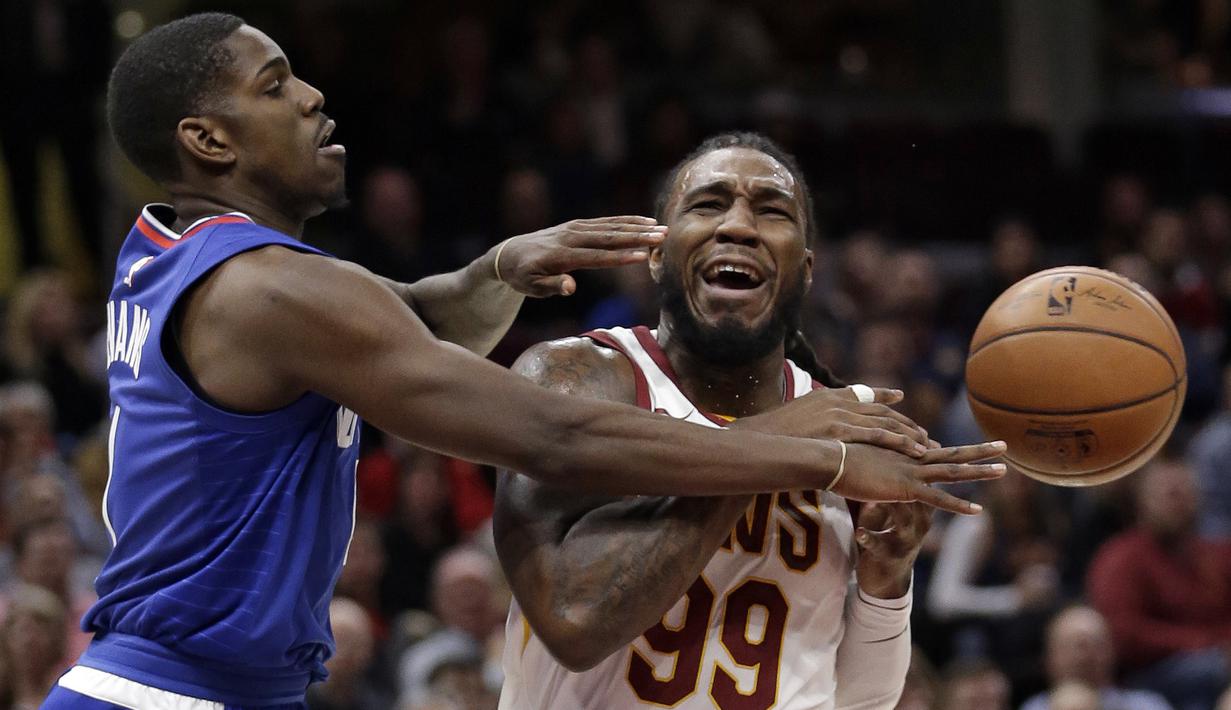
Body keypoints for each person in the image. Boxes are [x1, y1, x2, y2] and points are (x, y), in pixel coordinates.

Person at [44, 14, 1003, 710]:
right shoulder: (273, 289)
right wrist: (803, 449)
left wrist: (497, 268)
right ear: (206, 141)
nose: (310, 95)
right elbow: (551, 435)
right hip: (170, 691)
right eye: (273, 84)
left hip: (211, 685)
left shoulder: (173, 255)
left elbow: (405, 323)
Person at [494, 132, 1006, 708]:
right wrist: (785, 439)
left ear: (807, 269)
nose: (739, 226)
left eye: (772, 210)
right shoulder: (578, 379)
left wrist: (887, 586)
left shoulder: (850, 426)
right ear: (658, 254)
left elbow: (862, 701)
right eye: (709, 204)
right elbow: (574, 622)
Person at [1087, 455, 1231, 710]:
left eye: (1187, 493)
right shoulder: (1121, 557)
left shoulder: (1216, 555)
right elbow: (1125, 635)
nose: (1180, 503)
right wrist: (1204, 643)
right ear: (1142, 501)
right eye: (1170, 495)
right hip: (1146, 677)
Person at [1019, 605, 1173, 710]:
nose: (1084, 655)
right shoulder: (1033, 708)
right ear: (1049, 657)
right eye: (1073, 645)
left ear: (1112, 652)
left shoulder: (1147, 706)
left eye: (1095, 643)